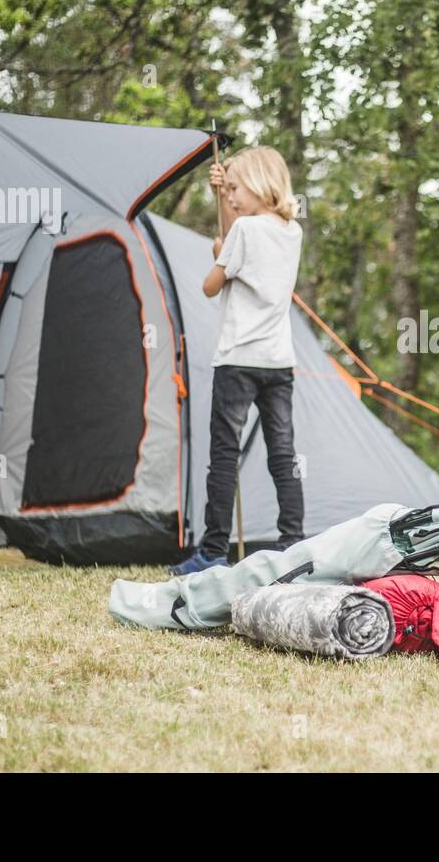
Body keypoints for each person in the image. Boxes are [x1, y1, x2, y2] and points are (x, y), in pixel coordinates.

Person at [171, 146, 305, 575]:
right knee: (282, 454)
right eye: (225, 190)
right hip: (278, 361)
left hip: (238, 359)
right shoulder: (291, 231)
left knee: (224, 455)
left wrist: (218, 256)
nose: (229, 197)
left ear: (261, 184)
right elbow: (241, 241)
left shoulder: (244, 231)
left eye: (235, 188)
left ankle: (212, 551)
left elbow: (212, 286)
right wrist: (227, 244)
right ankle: (292, 543)